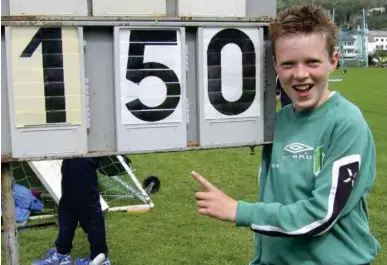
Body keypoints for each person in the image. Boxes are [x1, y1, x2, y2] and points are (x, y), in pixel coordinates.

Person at [191, 4, 380, 265]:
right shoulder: (277, 121)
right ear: (275, 66)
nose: (300, 74)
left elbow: (321, 215)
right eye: (289, 64)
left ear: (333, 60)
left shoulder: (347, 124)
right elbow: (271, 194)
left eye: (312, 62)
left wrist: (239, 211)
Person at [32, 157, 112, 265]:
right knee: (67, 204)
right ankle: (62, 253)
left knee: (88, 205)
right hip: (71, 153)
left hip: (84, 153)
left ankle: (100, 258)